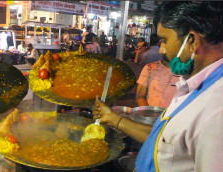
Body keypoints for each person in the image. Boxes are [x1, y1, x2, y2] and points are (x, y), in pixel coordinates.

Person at [93, 2, 223, 171]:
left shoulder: (216, 111)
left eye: (164, 40)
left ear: (192, 41)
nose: (161, 50)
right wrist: (112, 118)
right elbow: (166, 140)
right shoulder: (199, 84)